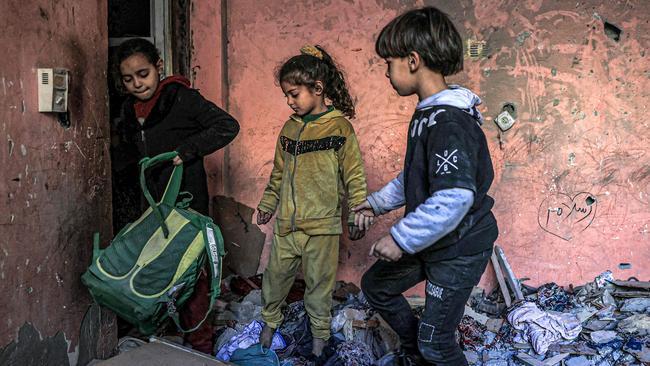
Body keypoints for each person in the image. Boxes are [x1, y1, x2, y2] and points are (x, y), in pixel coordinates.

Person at [353, 7, 499, 365]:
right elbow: (415, 176)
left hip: (460, 247)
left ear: (413, 60)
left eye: (389, 62)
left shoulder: (448, 122)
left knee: (438, 343)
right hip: (435, 239)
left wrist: (401, 238)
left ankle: (427, 348)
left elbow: (455, 196)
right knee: (377, 286)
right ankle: (413, 351)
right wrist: (374, 204)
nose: (386, 71)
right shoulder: (427, 115)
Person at [112, 38, 239, 354]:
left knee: (193, 271)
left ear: (159, 67)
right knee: (157, 268)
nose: (137, 83)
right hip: (152, 208)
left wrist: (186, 151)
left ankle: (200, 344)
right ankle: (163, 336)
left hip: (186, 202)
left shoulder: (180, 98)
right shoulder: (129, 110)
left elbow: (227, 126)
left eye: (143, 73)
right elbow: (129, 151)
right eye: (128, 79)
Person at [256, 45, 368, 360]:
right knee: (274, 281)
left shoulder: (339, 128)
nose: (290, 102)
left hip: (323, 228)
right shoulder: (290, 128)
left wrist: (357, 213)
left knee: (319, 289)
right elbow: (278, 173)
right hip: (287, 226)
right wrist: (268, 203)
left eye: (294, 94)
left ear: (317, 89)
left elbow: (355, 176)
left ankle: (319, 343)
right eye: (286, 96)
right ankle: (267, 330)